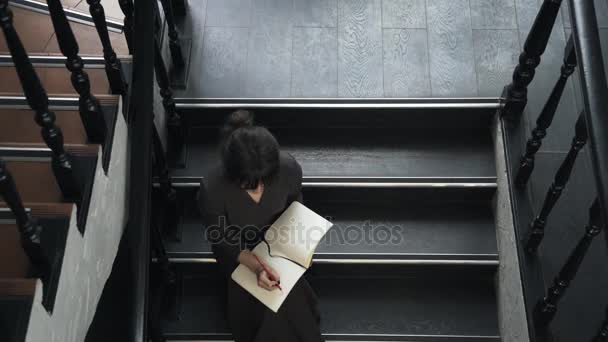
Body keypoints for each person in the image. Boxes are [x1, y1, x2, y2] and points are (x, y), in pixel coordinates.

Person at [198, 110, 324, 342]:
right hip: (239, 251)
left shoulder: (288, 168)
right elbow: (224, 241)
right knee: (268, 305)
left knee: (285, 294)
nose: (257, 191)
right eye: (249, 186)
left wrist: (301, 247)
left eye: (263, 182)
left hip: (278, 241)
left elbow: (295, 205)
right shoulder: (212, 189)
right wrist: (257, 268)